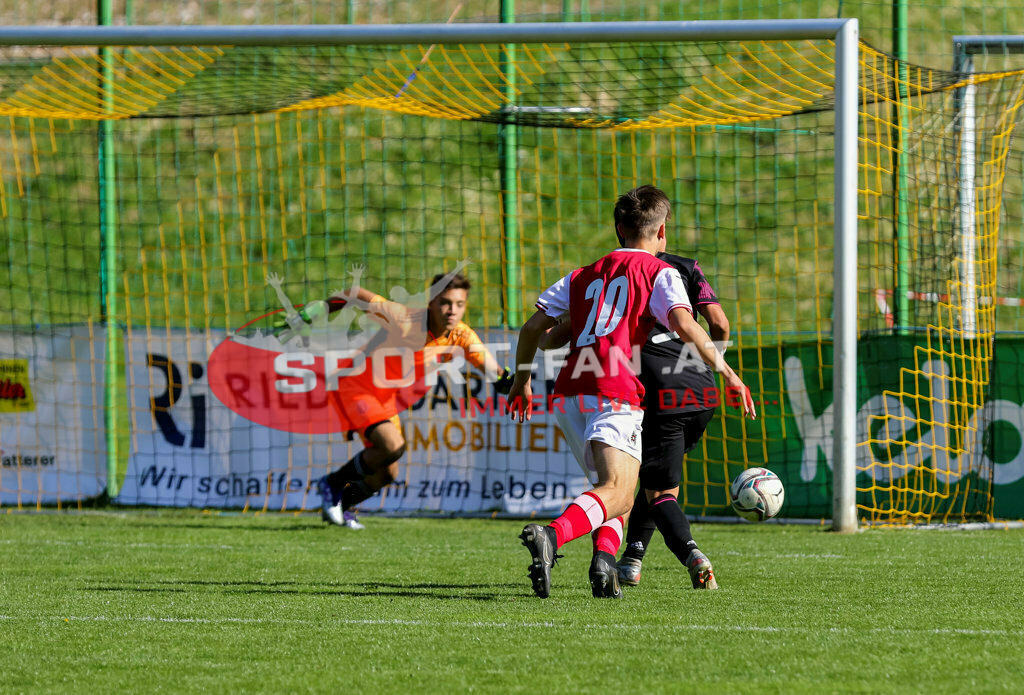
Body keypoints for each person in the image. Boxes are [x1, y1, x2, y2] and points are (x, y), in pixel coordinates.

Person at [506, 185, 756, 599]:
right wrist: (729, 373)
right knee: (619, 492)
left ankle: (605, 564)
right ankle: (552, 536)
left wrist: (521, 381)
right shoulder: (660, 272)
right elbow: (687, 324)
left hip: (569, 393)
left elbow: (535, 330)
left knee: (610, 490)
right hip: (614, 389)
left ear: (618, 228)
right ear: (663, 231)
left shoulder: (583, 274)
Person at [539, 253, 729, 590]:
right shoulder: (679, 268)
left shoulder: (598, 273)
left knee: (626, 485)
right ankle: (621, 558)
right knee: (634, 485)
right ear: (660, 230)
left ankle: (619, 557)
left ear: (620, 231)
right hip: (696, 388)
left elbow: (546, 336)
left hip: (617, 383)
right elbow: (717, 324)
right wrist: (718, 366)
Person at [313, 265, 512, 529]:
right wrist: (314, 312)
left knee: (388, 472)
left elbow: (498, 375)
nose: (452, 310)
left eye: (459, 304)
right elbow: (355, 293)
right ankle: (332, 484)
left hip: (385, 398)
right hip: (355, 385)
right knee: (392, 446)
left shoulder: (462, 335)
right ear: (431, 302)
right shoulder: (404, 320)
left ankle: (342, 505)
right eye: (445, 303)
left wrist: (515, 385)